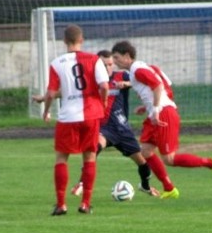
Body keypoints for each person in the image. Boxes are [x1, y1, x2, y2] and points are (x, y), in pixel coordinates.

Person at [111, 40, 212, 199]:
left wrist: (156, 108)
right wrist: (148, 107)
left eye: (116, 58)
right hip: (156, 113)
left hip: (163, 114)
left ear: (127, 56)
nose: (114, 61)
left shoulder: (137, 69)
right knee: (146, 151)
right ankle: (169, 188)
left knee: (169, 158)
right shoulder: (138, 68)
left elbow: (157, 85)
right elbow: (157, 87)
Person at [35, 24, 109, 215]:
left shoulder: (57, 63)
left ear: (64, 41)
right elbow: (104, 86)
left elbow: (51, 92)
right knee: (90, 157)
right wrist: (104, 101)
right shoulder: (94, 59)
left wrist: (46, 110)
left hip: (68, 116)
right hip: (91, 115)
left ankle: (61, 204)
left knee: (61, 157)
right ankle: (85, 204)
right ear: (81, 40)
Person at [64, 50, 160, 198]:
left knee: (143, 164)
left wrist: (127, 84)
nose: (108, 68)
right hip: (104, 128)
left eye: (110, 64)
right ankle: (82, 184)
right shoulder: (92, 81)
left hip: (123, 130)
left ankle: (145, 187)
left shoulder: (122, 75)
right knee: (94, 148)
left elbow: (142, 81)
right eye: (104, 65)